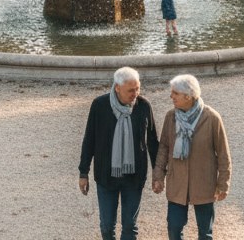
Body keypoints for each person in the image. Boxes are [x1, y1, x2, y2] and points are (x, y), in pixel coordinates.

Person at [79, 67, 159, 240]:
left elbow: (153, 142)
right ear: (117, 87)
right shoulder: (99, 105)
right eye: (131, 90)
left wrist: (158, 174)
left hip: (134, 177)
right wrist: (83, 172)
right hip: (106, 176)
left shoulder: (144, 106)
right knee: (107, 226)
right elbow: (89, 139)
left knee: (130, 226)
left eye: (137, 88)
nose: (135, 94)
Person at [152, 75, 232, 240]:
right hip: (177, 183)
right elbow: (164, 148)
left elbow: (223, 154)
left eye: (175, 93)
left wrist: (223, 184)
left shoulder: (212, 118)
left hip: (204, 183)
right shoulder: (170, 117)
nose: (171, 96)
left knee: (205, 233)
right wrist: (158, 176)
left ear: (188, 96)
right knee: (174, 228)